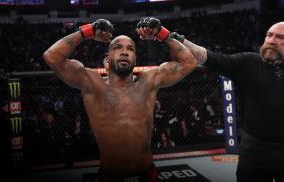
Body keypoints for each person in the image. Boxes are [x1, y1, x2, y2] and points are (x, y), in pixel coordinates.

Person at [43, 17, 197, 181]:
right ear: (108, 58)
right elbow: (52, 57)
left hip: (147, 174)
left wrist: (161, 33)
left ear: (135, 58)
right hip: (110, 176)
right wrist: (87, 32)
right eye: (118, 48)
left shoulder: (149, 81)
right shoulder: (93, 84)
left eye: (130, 49)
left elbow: (189, 62)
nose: (124, 52)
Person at [170, 22, 284, 181]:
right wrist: (180, 41)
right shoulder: (249, 62)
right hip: (254, 150)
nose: (271, 40)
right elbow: (210, 58)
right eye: (269, 35)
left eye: (280, 37)